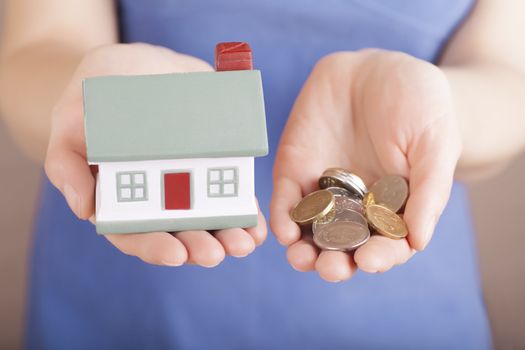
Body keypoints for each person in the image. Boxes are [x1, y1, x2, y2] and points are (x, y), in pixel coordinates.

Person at [1, 0, 524, 348]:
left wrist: (444, 111)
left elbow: (509, 75)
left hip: (407, 313)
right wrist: (93, 99)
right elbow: (34, 47)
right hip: (121, 307)